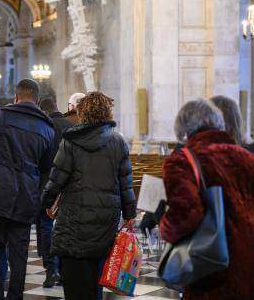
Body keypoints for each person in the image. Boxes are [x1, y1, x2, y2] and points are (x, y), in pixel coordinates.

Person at [42, 92, 136, 300]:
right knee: (96, 284)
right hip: (105, 223)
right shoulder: (118, 142)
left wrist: (47, 203)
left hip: (74, 222)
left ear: (82, 112)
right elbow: (126, 184)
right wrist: (130, 214)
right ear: (106, 112)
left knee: (75, 285)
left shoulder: (71, 141)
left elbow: (56, 179)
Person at [0, 79, 55, 300]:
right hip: (26, 195)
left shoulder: (3, 117)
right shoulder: (47, 128)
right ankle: (15, 296)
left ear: (16, 97)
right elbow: (46, 168)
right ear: (37, 100)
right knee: (19, 252)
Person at [159, 99, 253, 300]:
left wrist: (163, 227)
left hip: (212, 269)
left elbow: (186, 215)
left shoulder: (183, 160)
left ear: (183, 127)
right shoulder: (246, 156)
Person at [37, 98, 74, 288]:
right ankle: (66, 270)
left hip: (47, 184)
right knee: (66, 226)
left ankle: (51, 269)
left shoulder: (43, 126)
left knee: (46, 227)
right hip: (69, 185)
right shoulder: (71, 126)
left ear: (43, 111)